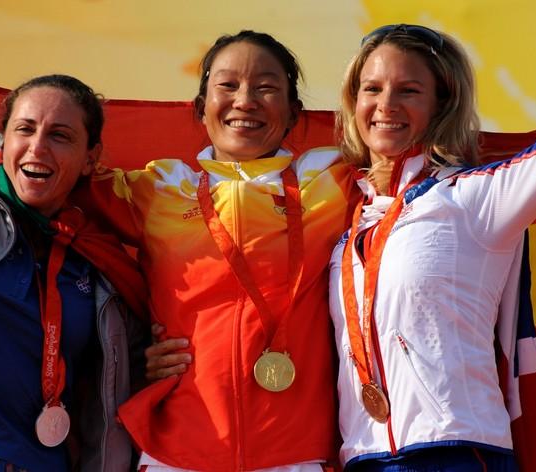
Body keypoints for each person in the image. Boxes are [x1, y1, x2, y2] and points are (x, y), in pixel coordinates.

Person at [73, 30, 360, 471]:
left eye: (266, 87)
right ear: (200, 105)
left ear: (292, 113)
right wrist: (135, 356)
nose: (245, 100)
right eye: (227, 85)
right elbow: (41, 169)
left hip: (296, 453)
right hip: (178, 452)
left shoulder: (333, 181)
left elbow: (420, 155)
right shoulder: (161, 189)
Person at [329, 24, 536, 471]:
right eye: (371, 88)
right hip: (362, 456)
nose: (385, 105)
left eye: (408, 90)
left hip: (456, 451)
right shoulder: (342, 216)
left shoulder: (476, 199)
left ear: (442, 103)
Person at [0, 74, 147, 472]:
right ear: (5, 140)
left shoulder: (100, 262)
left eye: (60, 135)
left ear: (91, 157)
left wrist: (161, 360)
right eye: (25, 129)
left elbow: (120, 384)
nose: (37, 147)